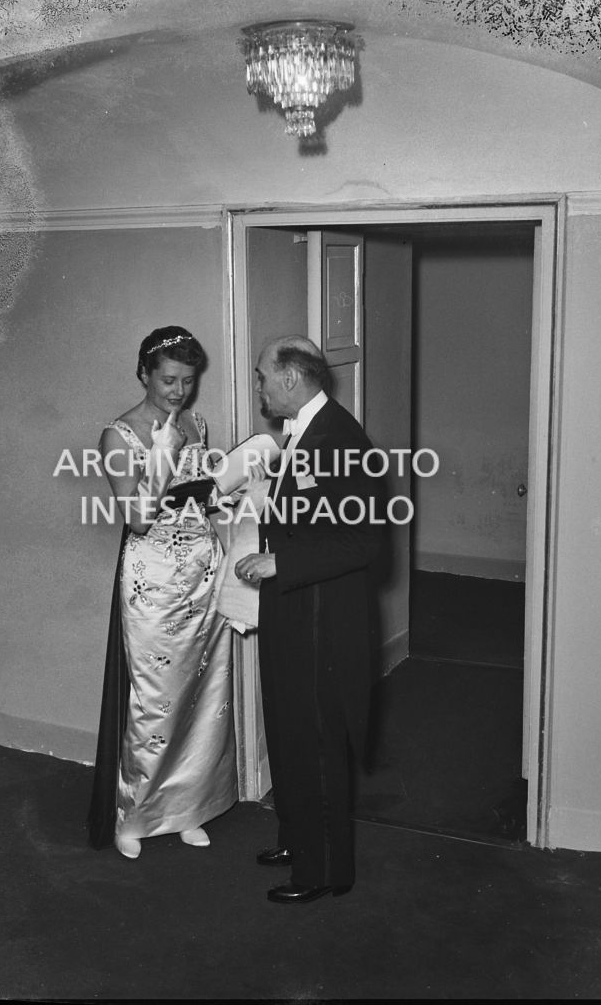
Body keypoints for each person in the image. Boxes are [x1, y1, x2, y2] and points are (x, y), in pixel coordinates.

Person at [235, 335, 384, 904]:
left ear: (291, 379)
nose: (259, 386)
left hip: (321, 618)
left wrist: (282, 560)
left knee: (317, 740)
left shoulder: (340, 439)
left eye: (262, 376)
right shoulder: (302, 433)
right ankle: (300, 839)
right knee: (290, 733)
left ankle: (325, 871)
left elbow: (366, 541)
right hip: (292, 607)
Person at [87, 326, 237, 859]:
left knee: (205, 696)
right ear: (145, 375)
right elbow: (138, 517)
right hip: (153, 579)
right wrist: (163, 453)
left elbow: (206, 500)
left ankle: (188, 806)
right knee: (155, 700)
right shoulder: (118, 436)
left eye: (188, 382)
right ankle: (137, 815)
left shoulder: (197, 423)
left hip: (203, 570)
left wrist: (234, 489)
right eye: (169, 380)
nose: (179, 392)